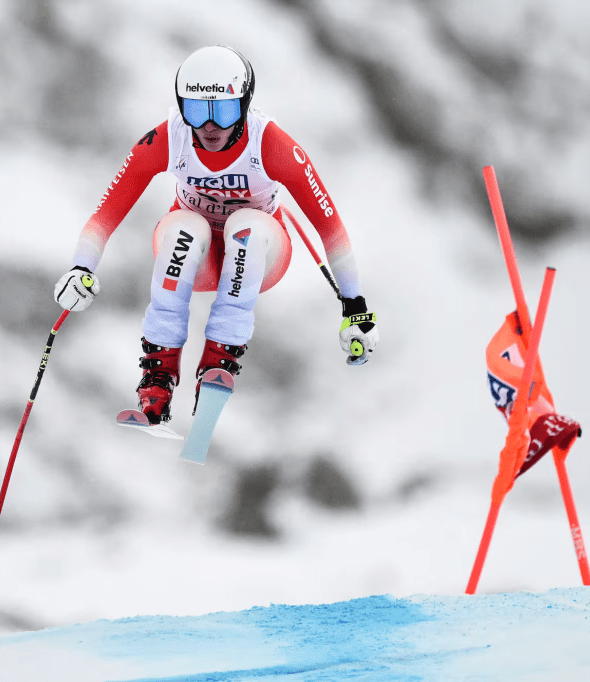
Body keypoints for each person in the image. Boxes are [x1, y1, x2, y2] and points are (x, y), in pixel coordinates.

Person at [54, 45, 378, 426]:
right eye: (196, 111)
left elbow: (330, 227)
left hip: (259, 254)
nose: (209, 127)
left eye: (222, 112)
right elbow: (106, 215)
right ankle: (157, 380)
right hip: (198, 257)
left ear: (244, 106)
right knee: (185, 228)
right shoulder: (169, 138)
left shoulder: (270, 145)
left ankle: (218, 363)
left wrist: (354, 306)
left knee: (247, 226)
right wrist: (80, 268)